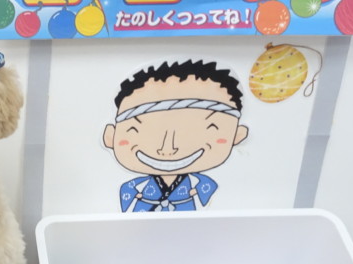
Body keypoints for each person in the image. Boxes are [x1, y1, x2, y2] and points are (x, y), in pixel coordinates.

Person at [103, 59, 249, 212]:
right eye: (135, 130)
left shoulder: (217, 194)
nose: (167, 148)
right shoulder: (130, 192)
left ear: (237, 134)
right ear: (110, 137)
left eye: (196, 131)